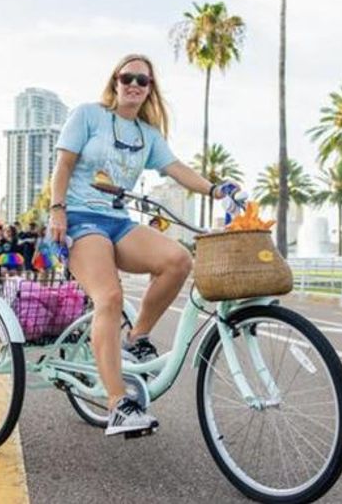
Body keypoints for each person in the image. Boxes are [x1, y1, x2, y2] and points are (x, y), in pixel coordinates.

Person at [49, 53, 238, 436]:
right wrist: (57, 211)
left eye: (143, 80)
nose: (134, 85)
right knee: (110, 297)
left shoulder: (146, 135)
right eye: (128, 78)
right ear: (115, 81)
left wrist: (216, 190)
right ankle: (118, 404)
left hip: (118, 222)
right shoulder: (88, 115)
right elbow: (64, 165)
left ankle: (137, 338)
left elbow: (177, 169)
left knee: (178, 260)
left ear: (151, 89)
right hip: (81, 219)